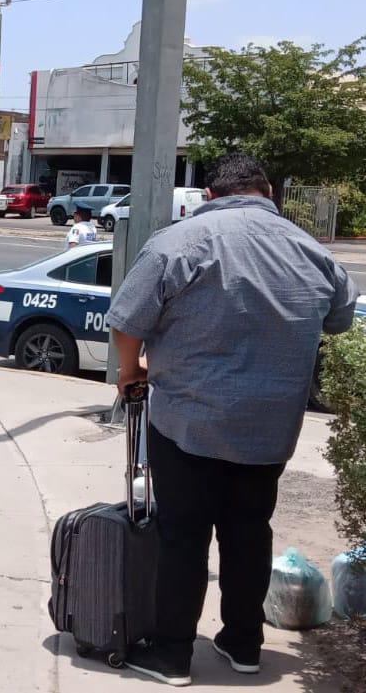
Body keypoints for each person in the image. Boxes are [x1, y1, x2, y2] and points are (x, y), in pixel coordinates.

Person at [107, 153, 360, 687]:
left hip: (188, 422)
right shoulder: (310, 250)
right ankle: (243, 644)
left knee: (183, 536)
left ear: (209, 195)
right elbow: (338, 319)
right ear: (267, 192)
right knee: (249, 534)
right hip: (269, 430)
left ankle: (173, 654)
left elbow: (127, 321)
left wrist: (131, 373)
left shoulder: (179, 242)